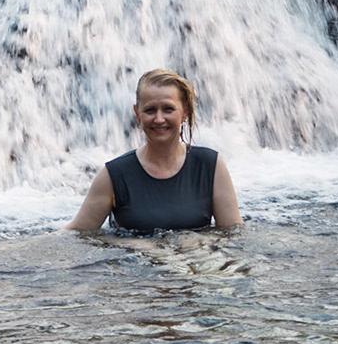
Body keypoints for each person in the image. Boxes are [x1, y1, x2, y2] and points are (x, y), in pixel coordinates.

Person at [68, 68, 242, 233]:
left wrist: (195, 242)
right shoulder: (114, 176)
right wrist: (129, 245)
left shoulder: (210, 166)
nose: (159, 119)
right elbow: (76, 235)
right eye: (150, 110)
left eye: (168, 109)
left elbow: (233, 234)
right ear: (137, 114)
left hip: (197, 263)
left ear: (184, 112)